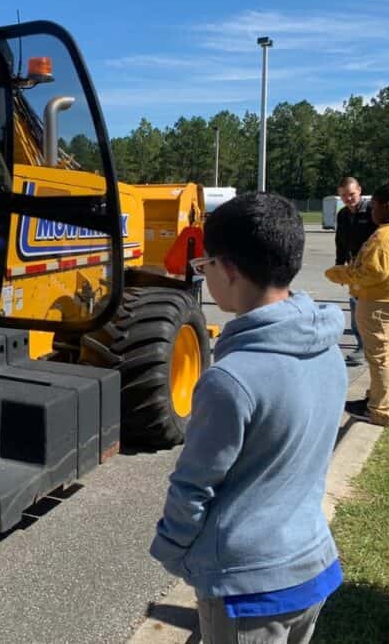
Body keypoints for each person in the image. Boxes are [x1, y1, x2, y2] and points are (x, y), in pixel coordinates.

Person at [151, 193, 346, 644]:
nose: (205, 276)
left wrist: (175, 553)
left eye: (205, 266)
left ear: (229, 268)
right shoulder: (328, 350)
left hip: (248, 591)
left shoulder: (230, 380)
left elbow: (193, 486)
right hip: (310, 564)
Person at [326, 182, 389, 427]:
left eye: (374, 205)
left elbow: (373, 273)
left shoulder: (383, 235)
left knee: (379, 357)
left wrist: (339, 274)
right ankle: (378, 398)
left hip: (379, 301)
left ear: (387, 206)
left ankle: (380, 409)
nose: (371, 210)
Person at [334, 177, 377, 366]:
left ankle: (374, 347)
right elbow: (340, 241)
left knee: (369, 308)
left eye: (351, 194)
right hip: (353, 266)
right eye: (344, 195)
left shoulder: (372, 212)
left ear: (359, 190)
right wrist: (339, 265)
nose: (348, 199)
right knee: (355, 307)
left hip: (371, 266)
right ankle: (361, 346)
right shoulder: (343, 214)